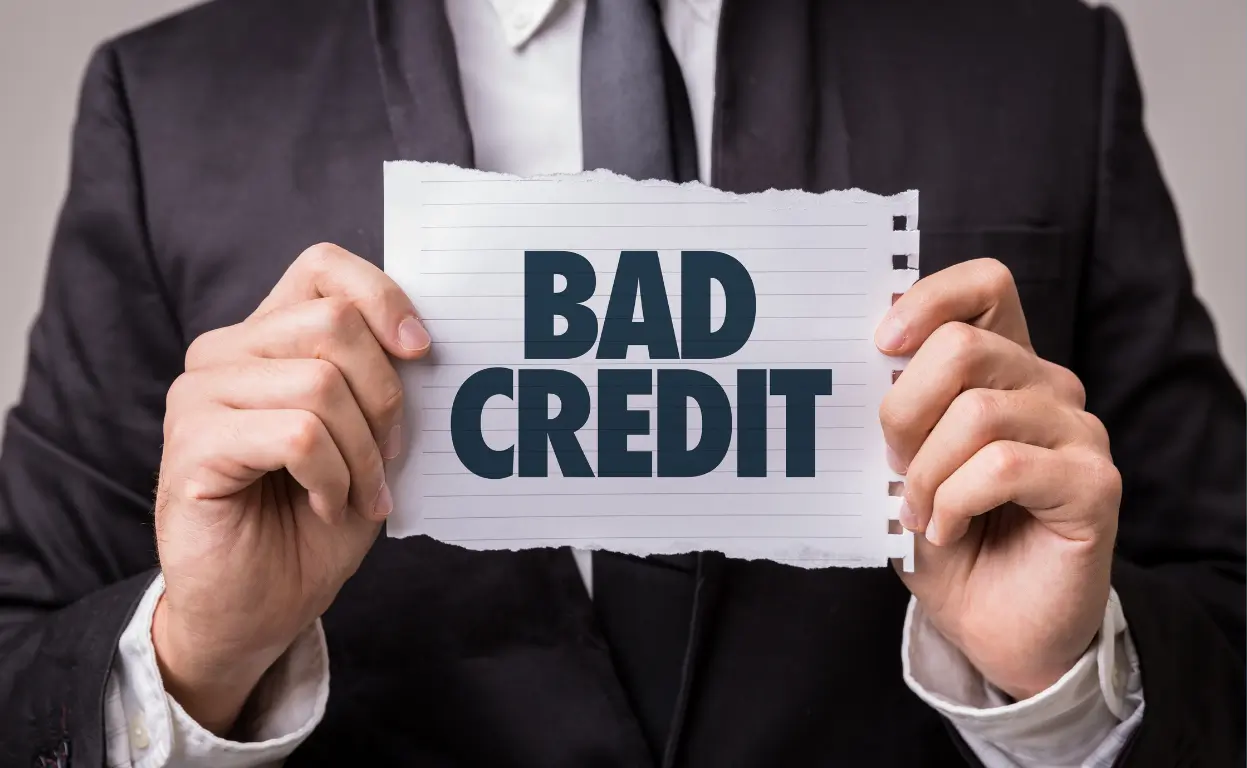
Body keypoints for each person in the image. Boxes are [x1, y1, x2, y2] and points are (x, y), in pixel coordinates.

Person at [0, 0, 1242, 765]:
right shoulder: (170, 106)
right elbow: (25, 663)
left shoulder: (1038, 66)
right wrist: (192, 659)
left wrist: (1071, 683)